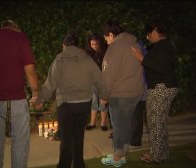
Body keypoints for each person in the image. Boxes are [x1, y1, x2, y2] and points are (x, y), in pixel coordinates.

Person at [30, 33, 102, 168]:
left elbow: (50, 84)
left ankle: (64, 165)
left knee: (66, 138)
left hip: (66, 105)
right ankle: (79, 164)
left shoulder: (59, 60)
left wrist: (40, 99)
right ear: (77, 45)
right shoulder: (87, 59)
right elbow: (99, 79)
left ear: (64, 45)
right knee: (78, 136)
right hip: (84, 104)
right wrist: (105, 95)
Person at [0, 19, 38, 168]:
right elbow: (29, 70)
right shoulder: (19, 38)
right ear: (15, 28)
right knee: (20, 141)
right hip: (15, 99)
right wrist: (36, 93)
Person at [132, 18, 179, 163]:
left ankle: (156, 156)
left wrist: (142, 59)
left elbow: (161, 67)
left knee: (156, 123)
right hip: (160, 87)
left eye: (149, 33)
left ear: (155, 31)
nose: (147, 37)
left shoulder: (163, 46)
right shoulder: (162, 46)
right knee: (158, 123)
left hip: (161, 87)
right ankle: (161, 153)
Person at [99, 20, 144, 167]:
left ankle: (117, 158)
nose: (105, 40)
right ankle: (123, 152)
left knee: (118, 125)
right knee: (126, 123)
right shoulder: (134, 44)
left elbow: (108, 76)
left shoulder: (114, 48)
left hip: (120, 94)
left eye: (105, 37)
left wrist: (104, 96)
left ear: (111, 34)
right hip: (136, 92)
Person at [84, 33, 110, 131]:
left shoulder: (105, 52)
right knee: (94, 101)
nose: (94, 46)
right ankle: (93, 122)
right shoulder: (88, 53)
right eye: (92, 44)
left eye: (96, 44)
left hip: (103, 81)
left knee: (103, 101)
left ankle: (103, 122)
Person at [130, 40, 148, 149]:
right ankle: (134, 139)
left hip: (140, 88)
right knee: (135, 115)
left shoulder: (141, 54)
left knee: (136, 115)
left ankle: (135, 141)